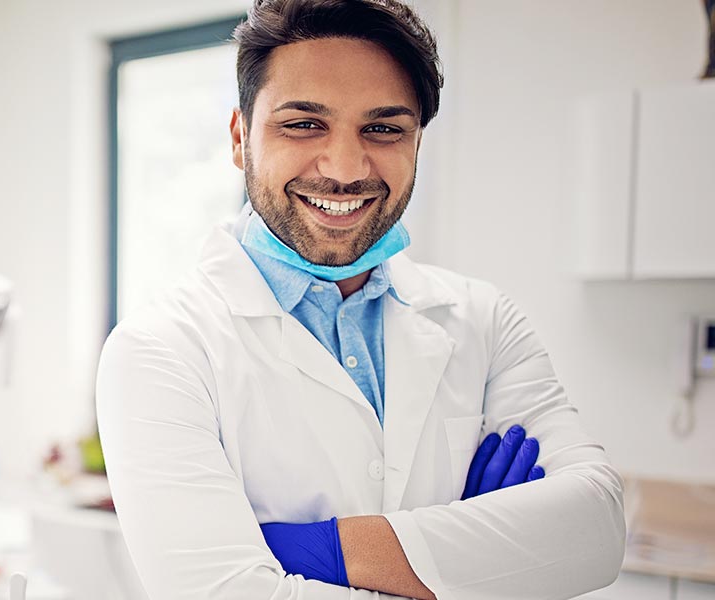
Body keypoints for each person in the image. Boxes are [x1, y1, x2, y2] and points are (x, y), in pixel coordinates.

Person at [96, 1, 626, 598]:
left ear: (417, 142)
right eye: (304, 123)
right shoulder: (160, 350)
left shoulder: (484, 319)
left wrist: (321, 549)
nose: (346, 169)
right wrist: (481, 559)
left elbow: (597, 530)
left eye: (383, 129)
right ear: (241, 138)